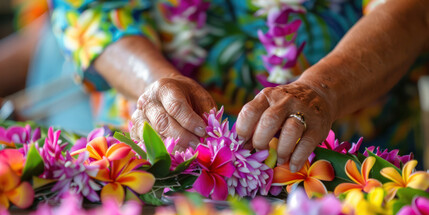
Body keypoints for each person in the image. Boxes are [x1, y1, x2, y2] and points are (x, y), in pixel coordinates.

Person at [14, 0, 429, 172]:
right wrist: (155, 81)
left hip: (342, 174)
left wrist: (323, 89)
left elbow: (410, 9)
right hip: (158, 170)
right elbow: (90, 9)